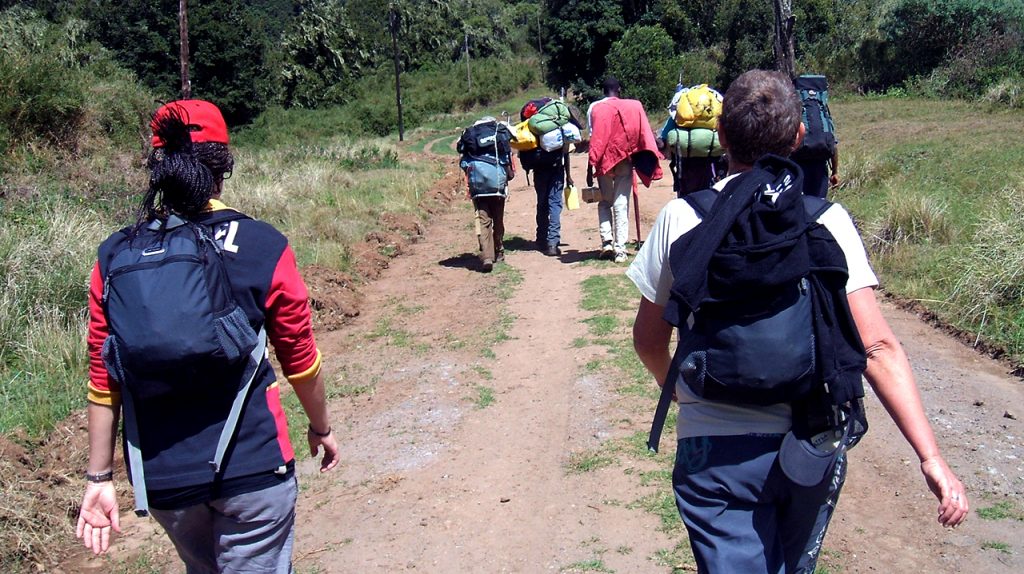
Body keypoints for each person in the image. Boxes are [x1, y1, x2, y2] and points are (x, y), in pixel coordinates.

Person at [627, 70, 968, 573]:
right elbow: (877, 349)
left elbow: (648, 339)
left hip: (712, 451)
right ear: (799, 137)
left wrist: (674, 388)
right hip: (810, 442)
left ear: (720, 135)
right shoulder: (826, 220)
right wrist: (930, 457)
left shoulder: (682, 217)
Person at [76, 99, 339, 572]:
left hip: (164, 480)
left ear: (158, 165)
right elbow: (300, 359)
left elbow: (103, 375)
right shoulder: (262, 244)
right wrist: (321, 427)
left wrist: (98, 478)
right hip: (254, 467)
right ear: (223, 166)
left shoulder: (116, 254)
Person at [587, 77, 663, 263]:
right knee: (621, 203)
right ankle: (620, 250)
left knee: (605, 201)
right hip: (624, 160)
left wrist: (590, 165)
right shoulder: (633, 106)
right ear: (619, 89)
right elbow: (642, 131)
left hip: (603, 160)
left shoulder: (595, 108)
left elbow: (594, 138)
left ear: (603, 90)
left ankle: (607, 242)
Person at [458, 116, 515, 272]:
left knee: (483, 220)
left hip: (479, 186)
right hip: (497, 185)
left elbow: (464, 163)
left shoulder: (471, 139)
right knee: (498, 218)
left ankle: (487, 256)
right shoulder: (499, 137)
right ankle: (500, 250)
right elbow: (510, 170)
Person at [519, 99, 574, 257]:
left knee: (542, 203)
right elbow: (566, 151)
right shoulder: (558, 124)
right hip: (556, 168)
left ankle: (541, 239)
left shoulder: (536, 125)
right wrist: (568, 175)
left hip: (539, 169)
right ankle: (553, 243)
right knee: (555, 205)